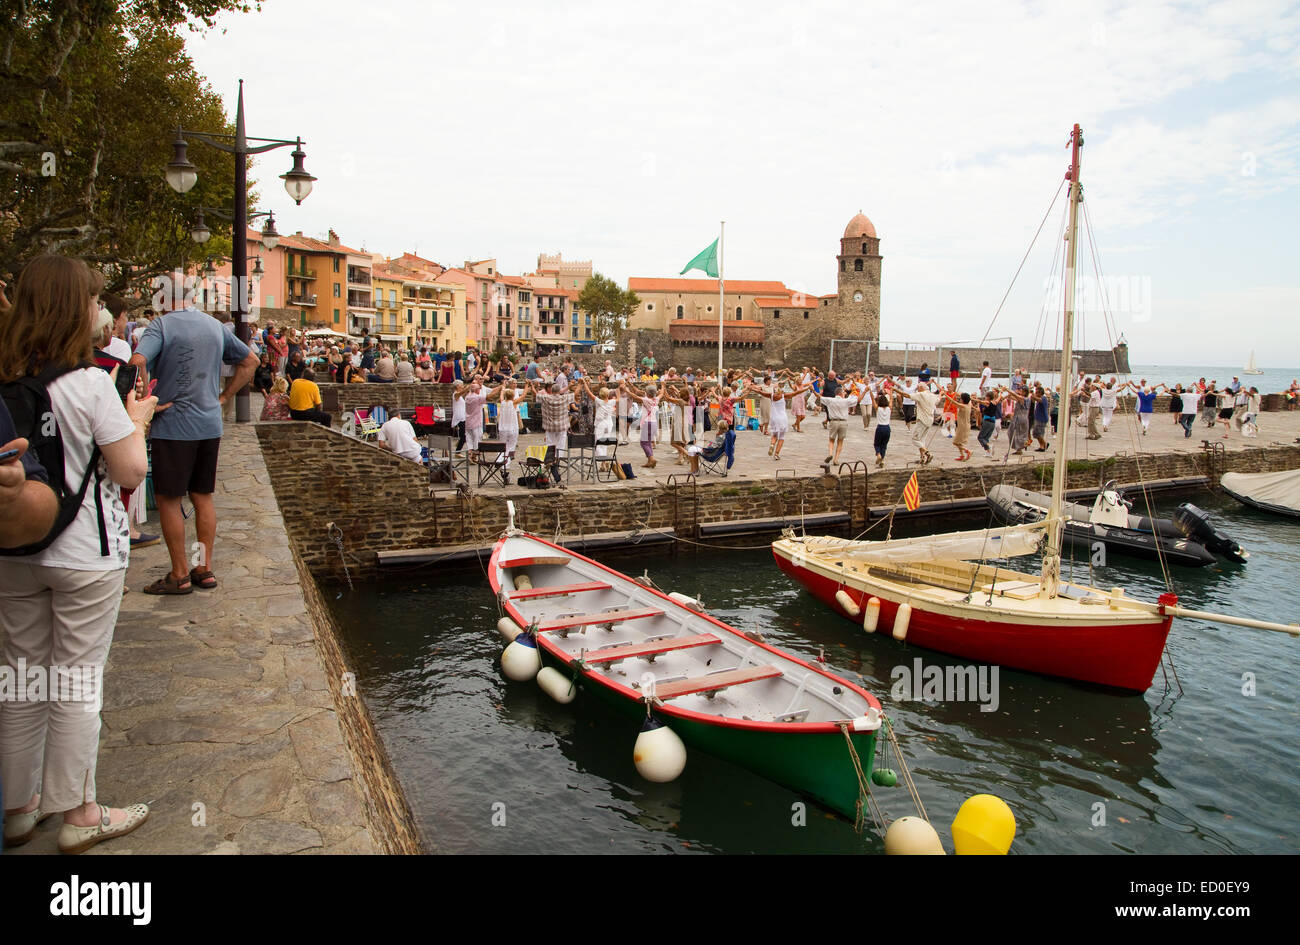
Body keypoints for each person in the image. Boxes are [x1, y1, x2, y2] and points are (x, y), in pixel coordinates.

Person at [0, 255, 157, 853]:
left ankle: (17, 808)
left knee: (19, 676)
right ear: (74, 310)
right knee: (75, 681)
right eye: (94, 301)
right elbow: (130, 469)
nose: (101, 312)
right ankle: (81, 813)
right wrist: (137, 420)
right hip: (83, 552)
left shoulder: (5, 380)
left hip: (15, 548)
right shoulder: (89, 382)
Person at [129, 274, 257, 594]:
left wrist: (146, 400)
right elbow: (250, 360)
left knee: (169, 499)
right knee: (202, 496)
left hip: (173, 424)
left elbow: (137, 361)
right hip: (209, 423)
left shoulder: (161, 326)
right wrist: (225, 398)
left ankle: (179, 573)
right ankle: (203, 567)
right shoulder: (215, 326)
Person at [816, 382, 868, 467]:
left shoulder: (830, 400)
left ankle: (830, 453)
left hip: (833, 421)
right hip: (843, 422)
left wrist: (812, 390)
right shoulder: (846, 401)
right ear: (840, 393)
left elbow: (819, 397)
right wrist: (864, 392)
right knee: (840, 441)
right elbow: (858, 400)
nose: (844, 394)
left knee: (831, 439)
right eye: (843, 393)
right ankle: (836, 459)